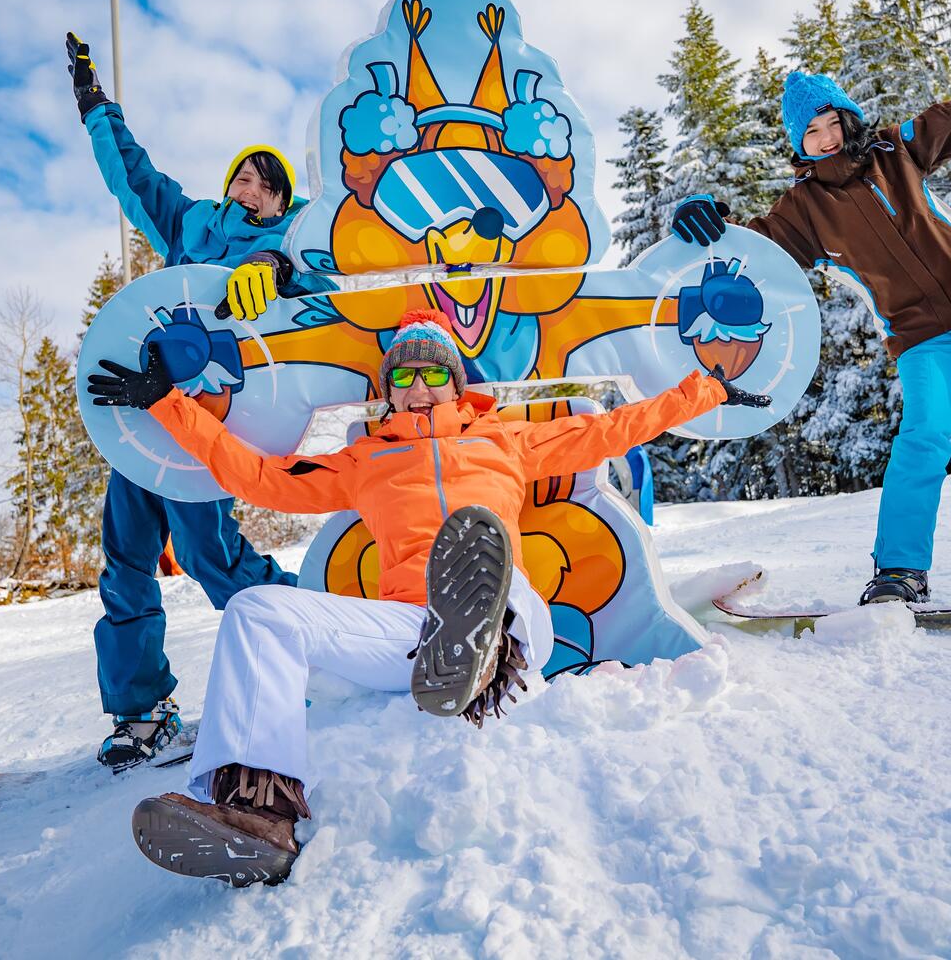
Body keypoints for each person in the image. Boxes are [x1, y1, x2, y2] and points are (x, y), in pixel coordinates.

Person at [87, 310, 769, 884]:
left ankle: (481, 644)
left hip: (512, 615)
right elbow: (261, 476)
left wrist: (706, 391)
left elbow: (617, 427)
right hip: (408, 633)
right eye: (404, 376)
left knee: (479, 557)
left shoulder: (509, 438)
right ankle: (258, 815)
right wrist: (166, 404)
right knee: (256, 611)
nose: (418, 387)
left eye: (433, 372)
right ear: (388, 392)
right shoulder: (364, 460)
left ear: (455, 381)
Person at [671, 41, 951, 605]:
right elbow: (753, 253)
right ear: (798, 143)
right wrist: (711, 225)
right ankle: (900, 570)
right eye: (809, 132)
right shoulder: (803, 211)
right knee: (923, 437)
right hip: (916, 331)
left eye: (830, 121)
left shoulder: (897, 149)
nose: (825, 137)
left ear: (847, 118)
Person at [68, 32, 326, 769]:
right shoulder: (193, 226)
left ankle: (319, 637)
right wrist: (96, 109)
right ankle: (139, 711)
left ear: (280, 200)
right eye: (241, 178)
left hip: (211, 429)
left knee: (212, 560)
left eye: (264, 183)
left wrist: (281, 267)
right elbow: (136, 179)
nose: (249, 188)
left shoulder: (294, 244)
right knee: (124, 561)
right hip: (145, 418)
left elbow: (331, 285)